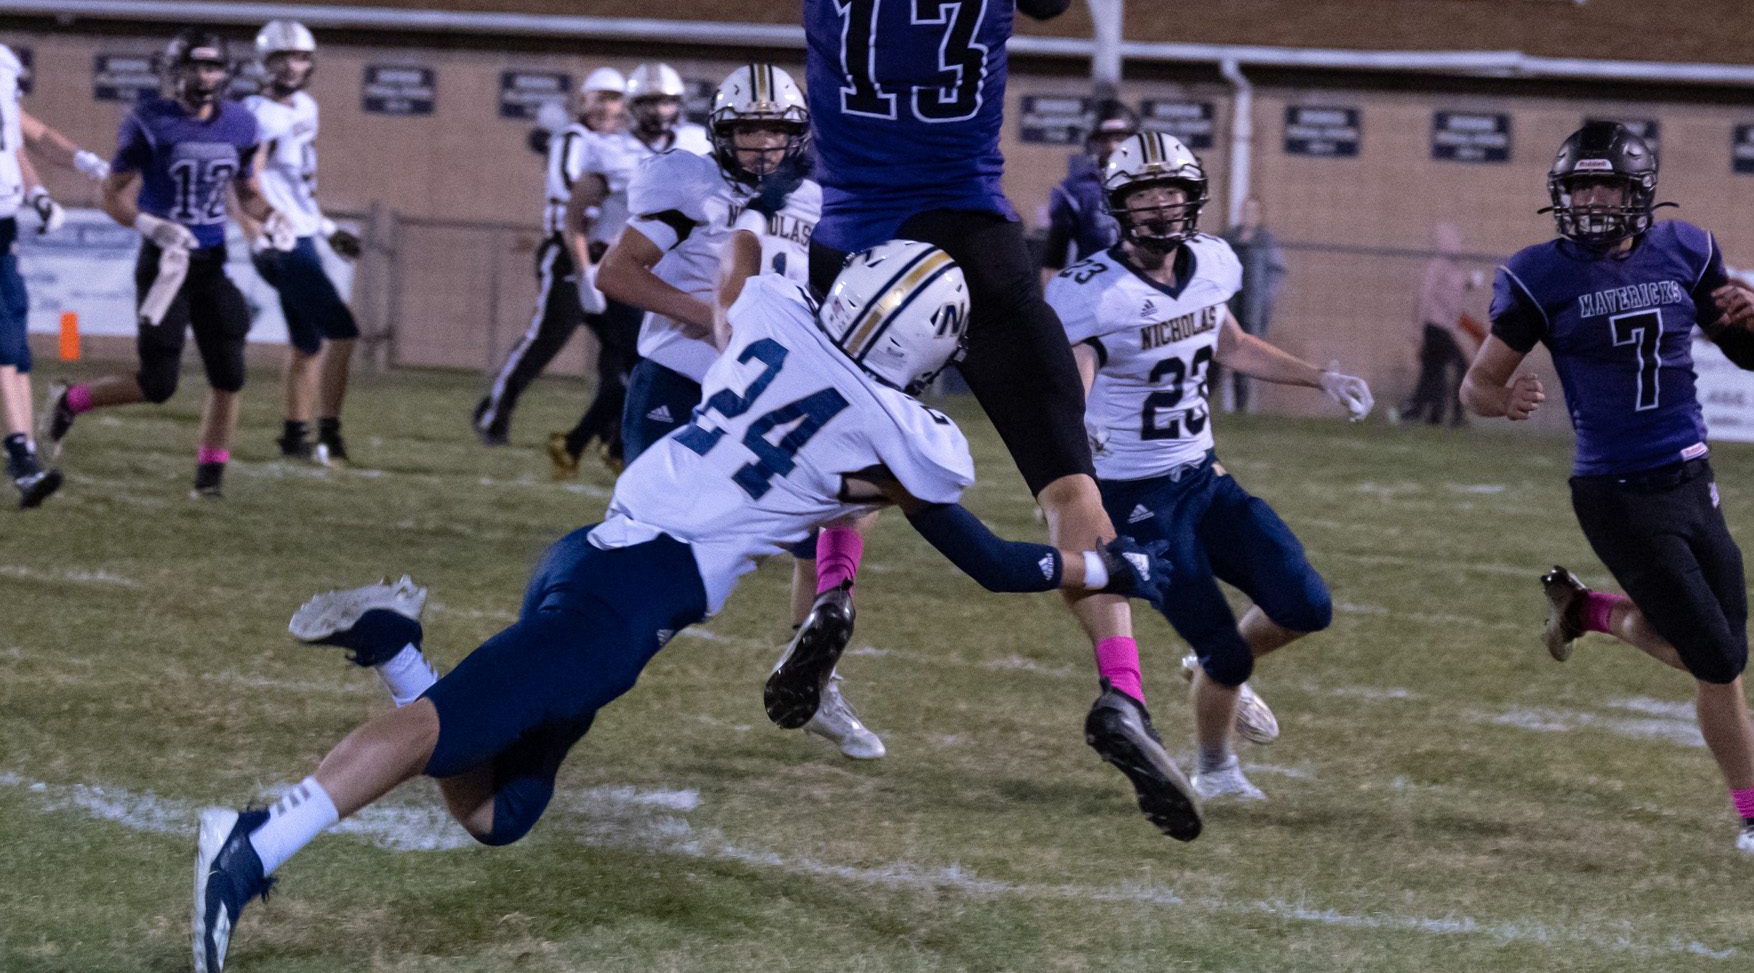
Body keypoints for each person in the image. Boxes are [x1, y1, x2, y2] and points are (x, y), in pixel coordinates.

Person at [192, 241, 1171, 973]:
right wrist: (1111, 567)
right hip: (630, 594)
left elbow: (741, 277)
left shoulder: (778, 314)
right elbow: (995, 562)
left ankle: (394, 643)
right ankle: (253, 842)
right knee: (447, 730)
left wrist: (752, 226)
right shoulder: (901, 438)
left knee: (500, 810)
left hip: (597, 556)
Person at [756, 0, 1198, 839]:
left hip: (858, 244)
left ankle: (833, 596)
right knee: (1069, 483)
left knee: (852, 463)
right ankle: (1121, 688)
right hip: (978, 239)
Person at [1459, 122, 1754, 856]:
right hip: (1615, 490)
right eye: (1577, 186)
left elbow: (1751, 357)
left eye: (1603, 185)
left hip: (1691, 477)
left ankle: (1587, 610)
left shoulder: (1687, 250)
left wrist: (1753, 328)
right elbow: (1475, 385)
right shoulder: (1539, 274)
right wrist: (1502, 399)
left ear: (1637, 191)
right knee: (1714, 658)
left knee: (1723, 649)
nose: (1588, 200)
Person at [1046, 132, 1371, 801]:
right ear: (1120, 204)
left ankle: (1210, 664)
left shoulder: (1213, 263)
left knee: (1306, 603)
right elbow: (1069, 392)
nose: (1162, 205)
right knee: (1228, 651)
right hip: (1134, 494)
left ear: (1193, 197)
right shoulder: (1094, 292)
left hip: (1202, 476)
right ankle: (1216, 768)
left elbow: (1234, 345)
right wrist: (1074, 441)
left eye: (1173, 191)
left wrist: (1321, 377)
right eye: (1145, 194)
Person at [593, 65, 878, 757]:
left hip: (765, 394)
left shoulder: (813, 196)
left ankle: (814, 676)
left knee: (836, 513)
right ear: (721, 132)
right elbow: (616, 272)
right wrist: (716, 317)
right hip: (683, 380)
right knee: (647, 548)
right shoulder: (690, 183)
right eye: (748, 129)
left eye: (776, 130)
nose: (762, 144)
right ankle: (572, 657)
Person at [46, 28, 282, 498]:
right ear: (175, 72)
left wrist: (275, 218)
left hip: (211, 263)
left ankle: (209, 480)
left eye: (212, 66)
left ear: (225, 73)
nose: (204, 76)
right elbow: (111, 194)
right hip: (166, 264)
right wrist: (150, 226)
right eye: (194, 66)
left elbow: (248, 192)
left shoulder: (241, 123)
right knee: (158, 384)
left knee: (230, 374)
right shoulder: (150, 120)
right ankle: (71, 400)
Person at [473, 69, 628, 445]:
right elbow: (568, 195)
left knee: (624, 344)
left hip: (608, 257)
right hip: (568, 252)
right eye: (599, 97)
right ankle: (494, 413)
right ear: (584, 101)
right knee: (546, 340)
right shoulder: (572, 139)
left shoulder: (622, 146)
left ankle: (610, 427)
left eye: (613, 98)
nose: (606, 107)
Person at [241, 21, 365, 466]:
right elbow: (245, 183)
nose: (292, 67)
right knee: (343, 331)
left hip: (304, 233)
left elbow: (295, 185)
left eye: (299, 58)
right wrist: (257, 236)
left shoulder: (306, 107)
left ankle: (294, 437)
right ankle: (329, 433)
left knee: (307, 343)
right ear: (264, 62)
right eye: (282, 58)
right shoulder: (256, 113)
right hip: (281, 240)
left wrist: (326, 227)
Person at [547, 67, 679, 477]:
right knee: (642, 360)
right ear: (633, 107)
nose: (660, 110)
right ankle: (614, 446)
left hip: (667, 272)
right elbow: (573, 219)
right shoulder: (608, 150)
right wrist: (585, 273)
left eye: (667, 101)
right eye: (651, 102)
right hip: (618, 268)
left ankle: (587, 443)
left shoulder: (694, 146)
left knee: (634, 364)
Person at [0, 45, 107, 507]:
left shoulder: (3, 66)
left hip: (4, 227)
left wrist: (39, 194)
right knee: (3, 350)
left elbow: (20, 140)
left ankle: (25, 458)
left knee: (18, 353)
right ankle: (22, 462)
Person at [1040, 100, 1134, 285]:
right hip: (1092, 286)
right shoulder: (1074, 191)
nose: (1112, 146)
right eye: (1104, 139)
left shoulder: (1147, 184)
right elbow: (1054, 257)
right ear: (1091, 142)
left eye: (1119, 138)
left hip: (1141, 285)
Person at [1400, 221, 1476, 426]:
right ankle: (1455, 415)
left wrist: (1470, 283)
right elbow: (1424, 297)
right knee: (1459, 366)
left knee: (1433, 372)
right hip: (1434, 328)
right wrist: (1418, 330)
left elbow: (1453, 295)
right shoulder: (1438, 264)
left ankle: (1427, 414)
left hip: (1445, 329)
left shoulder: (1455, 267)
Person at [1221, 196, 1288, 411]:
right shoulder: (1229, 238)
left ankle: (1242, 405)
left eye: (1253, 211)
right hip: (1231, 303)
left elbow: (1277, 273)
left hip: (1253, 307)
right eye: (1246, 210)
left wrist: (1264, 297)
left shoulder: (1266, 242)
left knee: (1246, 350)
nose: (1249, 215)